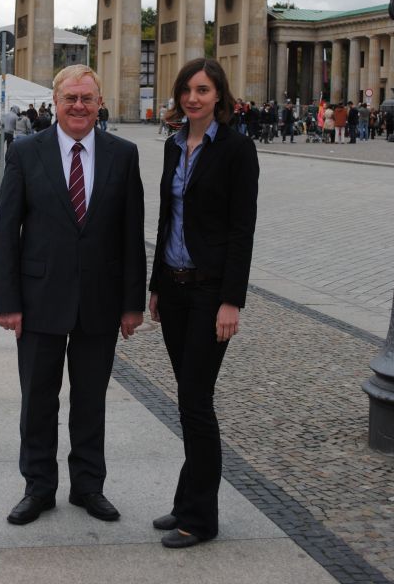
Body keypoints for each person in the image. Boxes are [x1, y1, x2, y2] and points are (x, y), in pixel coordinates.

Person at [0, 64, 146, 526]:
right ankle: (38, 487)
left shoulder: (124, 154)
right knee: (38, 399)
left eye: (87, 98)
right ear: (55, 103)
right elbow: (5, 233)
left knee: (91, 399)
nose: (79, 106)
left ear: (100, 103)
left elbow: (131, 234)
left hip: (100, 299)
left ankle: (88, 486)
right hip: (38, 299)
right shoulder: (25, 152)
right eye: (71, 98)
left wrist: (132, 303)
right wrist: (8, 302)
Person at [148, 58, 259, 550]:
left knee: (197, 401)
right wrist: (154, 284)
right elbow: (166, 219)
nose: (193, 98)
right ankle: (185, 499)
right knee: (188, 398)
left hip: (209, 292)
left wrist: (231, 301)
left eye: (202, 90)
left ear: (220, 96)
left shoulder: (237, 149)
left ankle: (201, 519)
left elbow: (241, 232)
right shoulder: (174, 147)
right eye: (186, 90)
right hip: (173, 288)